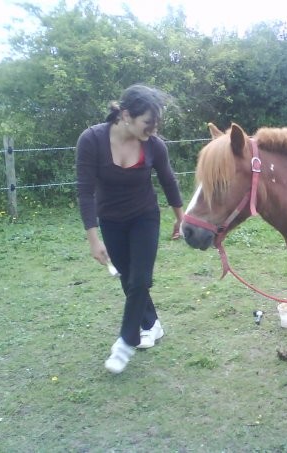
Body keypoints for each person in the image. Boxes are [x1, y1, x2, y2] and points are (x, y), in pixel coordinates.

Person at [76, 84, 184, 374]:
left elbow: (168, 181)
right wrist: (93, 239)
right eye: (147, 123)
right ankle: (152, 324)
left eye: (156, 124)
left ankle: (126, 341)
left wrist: (179, 217)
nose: (152, 130)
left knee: (141, 279)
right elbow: (85, 191)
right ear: (125, 115)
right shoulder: (92, 140)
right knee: (129, 280)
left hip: (144, 217)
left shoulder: (154, 145)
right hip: (110, 220)